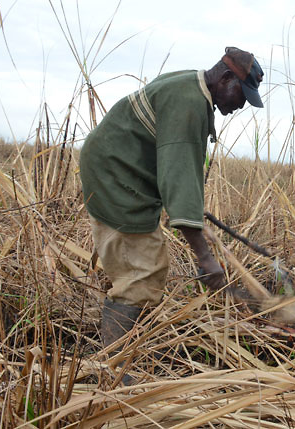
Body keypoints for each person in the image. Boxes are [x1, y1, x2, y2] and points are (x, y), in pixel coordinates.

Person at [79, 47, 264, 380]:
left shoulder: (189, 85)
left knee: (138, 267)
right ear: (224, 78)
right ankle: (113, 370)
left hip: (117, 168)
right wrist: (206, 259)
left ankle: (117, 353)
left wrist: (186, 201)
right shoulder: (190, 105)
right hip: (116, 176)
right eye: (242, 95)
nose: (240, 106)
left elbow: (173, 168)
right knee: (143, 271)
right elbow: (179, 179)